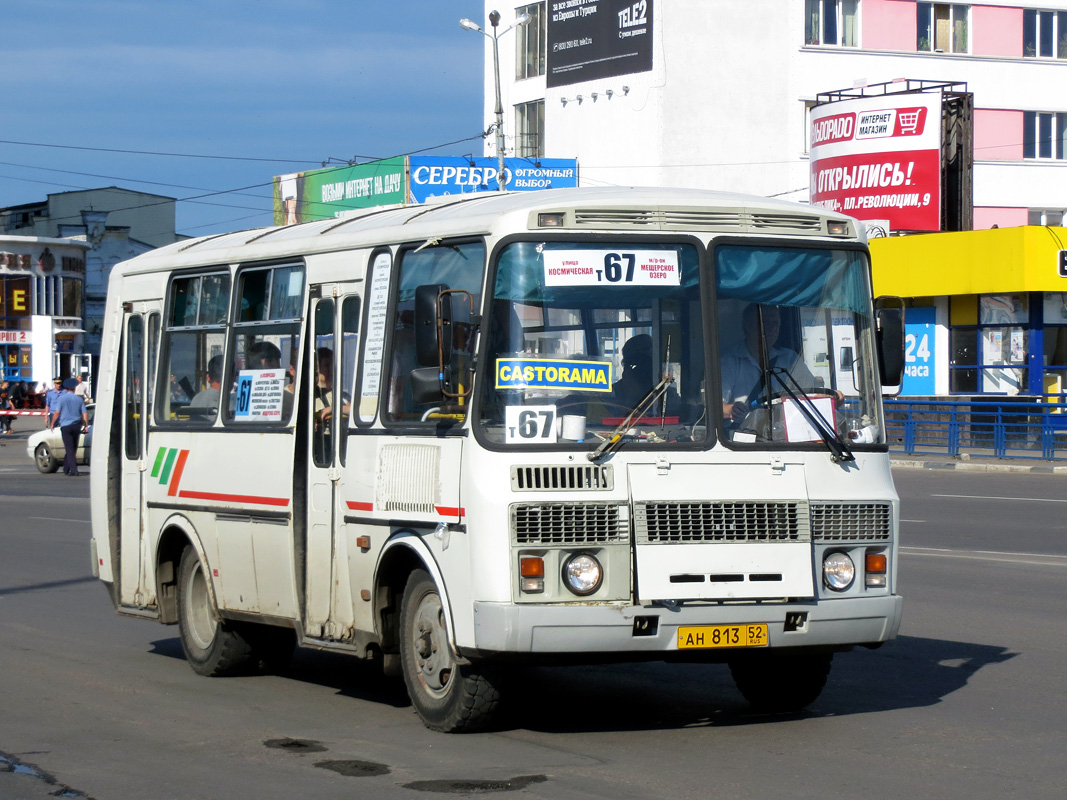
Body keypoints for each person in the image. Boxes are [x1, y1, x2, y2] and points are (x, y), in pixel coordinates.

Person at [720, 303, 821, 424]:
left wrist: (832, 397)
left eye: (775, 323)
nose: (772, 328)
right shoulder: (729, 361)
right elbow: (715, 406)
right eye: (765, 323)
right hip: (742, 437)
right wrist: (731, 409)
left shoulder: (789, 358)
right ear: (748, 325)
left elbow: (813, 394)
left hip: (784, 433)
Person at [50, 378, 89, 476]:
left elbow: (57, 412)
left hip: (65, 426)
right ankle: (66, 468)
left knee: (69, 448)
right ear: (74, 388)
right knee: (73, 447)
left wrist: (52, 424)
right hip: (76, 426)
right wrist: (86, 425)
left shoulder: (61, 399)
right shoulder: (79, 399)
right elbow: (85, 413)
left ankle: (74, 470)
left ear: (66, 388)